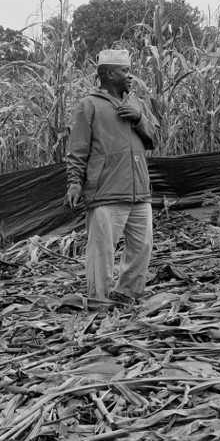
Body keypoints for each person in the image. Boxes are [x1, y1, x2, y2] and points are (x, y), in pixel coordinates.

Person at [64, 48, 158, 303]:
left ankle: (127, 293)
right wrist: (74, 182)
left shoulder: (136, 103)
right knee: (101, 251)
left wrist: (139, 119)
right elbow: (77, 149)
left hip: (139, 191)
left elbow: (154, 140)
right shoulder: (89, 105)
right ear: (108, 73)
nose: (130, 76)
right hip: (106, 190)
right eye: (124, 71)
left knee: (142, 247)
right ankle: (99, 300)